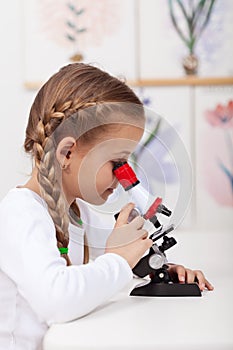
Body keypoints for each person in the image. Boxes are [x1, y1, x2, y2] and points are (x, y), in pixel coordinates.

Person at [0, 63, 213, 350]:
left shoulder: (79, 213)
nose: (125, 178)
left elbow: (92, 283)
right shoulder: (20, 213)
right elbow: (57, 299)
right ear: (67, 153)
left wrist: (151, 269)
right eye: (118, 162)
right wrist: (119, 260)